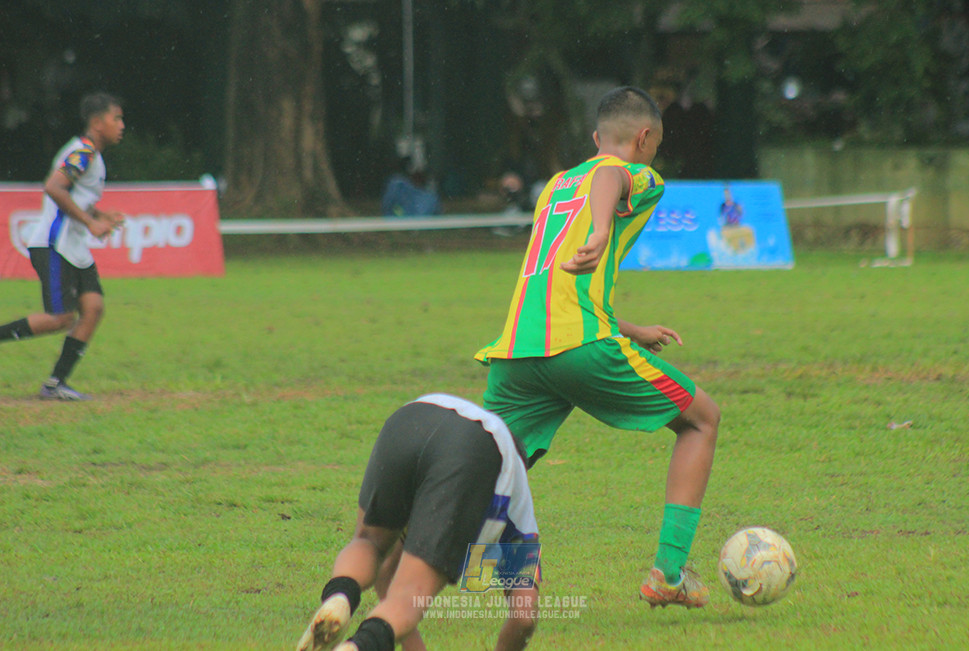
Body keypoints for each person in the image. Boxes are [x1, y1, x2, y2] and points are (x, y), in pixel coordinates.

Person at [474, 86, 721, 609]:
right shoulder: (633, 174)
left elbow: (558, 285)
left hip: (518, 351)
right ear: (645, 137)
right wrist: (606, 226)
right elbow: (612, 173)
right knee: (702, 419)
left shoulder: (557, 185)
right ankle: (669, 574)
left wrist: (632, 330)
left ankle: (389, 559)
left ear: (592, 137)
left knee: (482, 475)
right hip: (580, 347)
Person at [296, 393, 541, 651]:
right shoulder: (516, 499)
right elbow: (524, 618)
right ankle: (358, 647)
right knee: (410, 595)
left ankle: (340, 595)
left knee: (369, 542)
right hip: (473, 448)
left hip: (410, 417)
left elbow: (387, 569)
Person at [0, 91, 125, 401]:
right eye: (117, 118)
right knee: (60, 318)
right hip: (54, 245)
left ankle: (55, 384)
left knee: (93, 308)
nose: (122, 125)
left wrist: (98, 214)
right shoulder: (82, 153)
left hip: (73, 246)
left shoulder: (91, 155)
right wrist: (91, 223)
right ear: (98, 123)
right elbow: (54, 187)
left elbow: (73, 195)